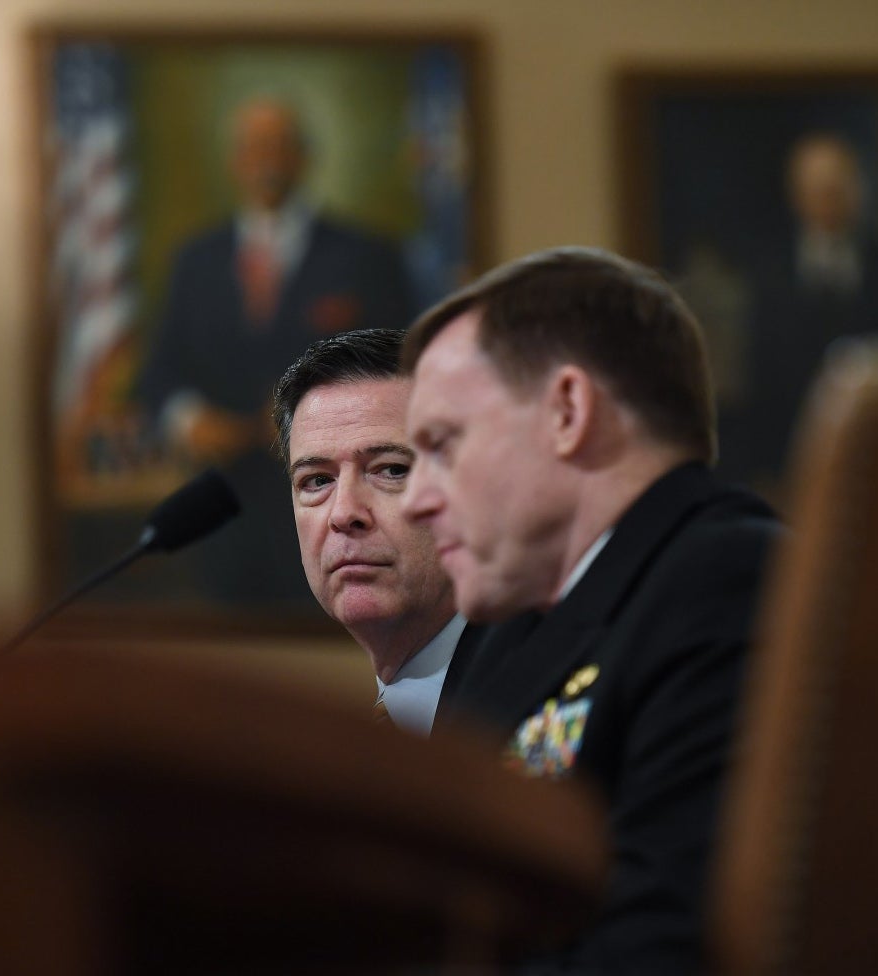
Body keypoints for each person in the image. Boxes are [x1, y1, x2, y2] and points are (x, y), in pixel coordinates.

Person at [400, 246, 783, 974]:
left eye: (441, 445)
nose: (416, 499)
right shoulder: (498, 628)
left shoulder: (727, 580)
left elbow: (665, 951)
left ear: (568, 411)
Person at [136, 96, 417, 606]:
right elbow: (158, 371)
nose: (266, 158)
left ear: (304, 157)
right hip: (222, 504)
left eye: (280, 146)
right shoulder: (195, 259)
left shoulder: (367, 257)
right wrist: (190, 418)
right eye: (253, 146)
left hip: (336, 503)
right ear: (234, 160)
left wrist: (312, 415)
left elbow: (402, 367)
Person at [272, 329, 479, 735]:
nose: (344, 513)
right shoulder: (326, 744)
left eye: (392, 470)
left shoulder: (544, 691)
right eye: (316, 481)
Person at [733, 130, 878, 488]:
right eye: (818, 190)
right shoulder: (768, 276)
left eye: (838, 187)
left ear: (859, 189)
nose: (829, 200)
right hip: (793, 462)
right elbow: (758, 375)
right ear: (797, 195)